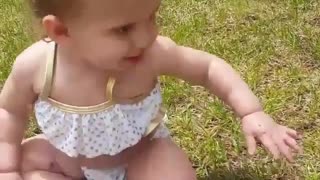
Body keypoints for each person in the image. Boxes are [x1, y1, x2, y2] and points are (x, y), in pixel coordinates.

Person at [0, 0, 302, 179]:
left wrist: (251, 111)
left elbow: (207, 68)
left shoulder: (151, 54)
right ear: (62, 31)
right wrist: (7, 169)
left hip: (139, 155)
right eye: (124, 29)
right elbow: (9, 113)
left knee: (167, 167)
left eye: (152, 16)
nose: (146, 36)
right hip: (69, 160)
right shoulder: (36, 67)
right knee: (31, 161)